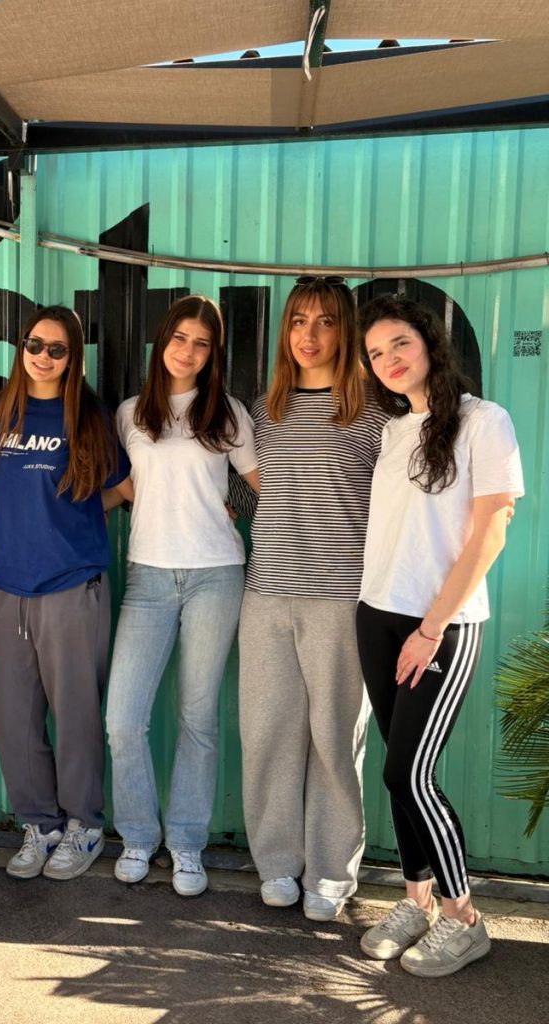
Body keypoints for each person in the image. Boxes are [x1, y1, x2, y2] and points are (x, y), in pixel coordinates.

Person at [355, 294, 523, 976]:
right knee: (399, 775)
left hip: (441, 625)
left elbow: (492, 531)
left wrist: (430, 628)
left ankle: (463, 919)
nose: (389, 359)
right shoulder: (395, 430)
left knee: (409, 773)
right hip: (377, 613)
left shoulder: (485, 421)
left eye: (399, 343)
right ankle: (415, 900)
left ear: (429, 342)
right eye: (375, 353)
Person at [238, 277, 388, 921]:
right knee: (267, 734)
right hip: (266, 594)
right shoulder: (264, 410)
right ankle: (276, 863)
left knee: (335, 740)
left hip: (341, 601)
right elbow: (250, 492)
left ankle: (330, 871)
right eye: (299, 320)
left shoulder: (375, 413)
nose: (309, 334)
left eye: (325, 321)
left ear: (345, 331)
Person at [106, 295, 259, 896]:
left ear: (212, 352)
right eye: (179, 338)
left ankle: (187, 843)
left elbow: (262, 483)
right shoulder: (130, 413)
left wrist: (232, 505)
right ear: (161, 341)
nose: (188, 351)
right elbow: (124, 485)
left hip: (216, 574)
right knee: (123, 720)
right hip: (147, 576)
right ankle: (139, 836)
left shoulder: (228, 412)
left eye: (201, 343)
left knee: (198, 718)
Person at [0, 305, 129, 881]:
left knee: (74, 716)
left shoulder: (90, 418)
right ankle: (39, 825)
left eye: (57, 349)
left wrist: (78, 513)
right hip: (8, 586)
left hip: (72, 584)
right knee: (13, 721)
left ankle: (84, 825)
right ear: (22, 348)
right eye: (34, 345)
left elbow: (126, 489)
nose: (43, 357)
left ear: (74, 358)